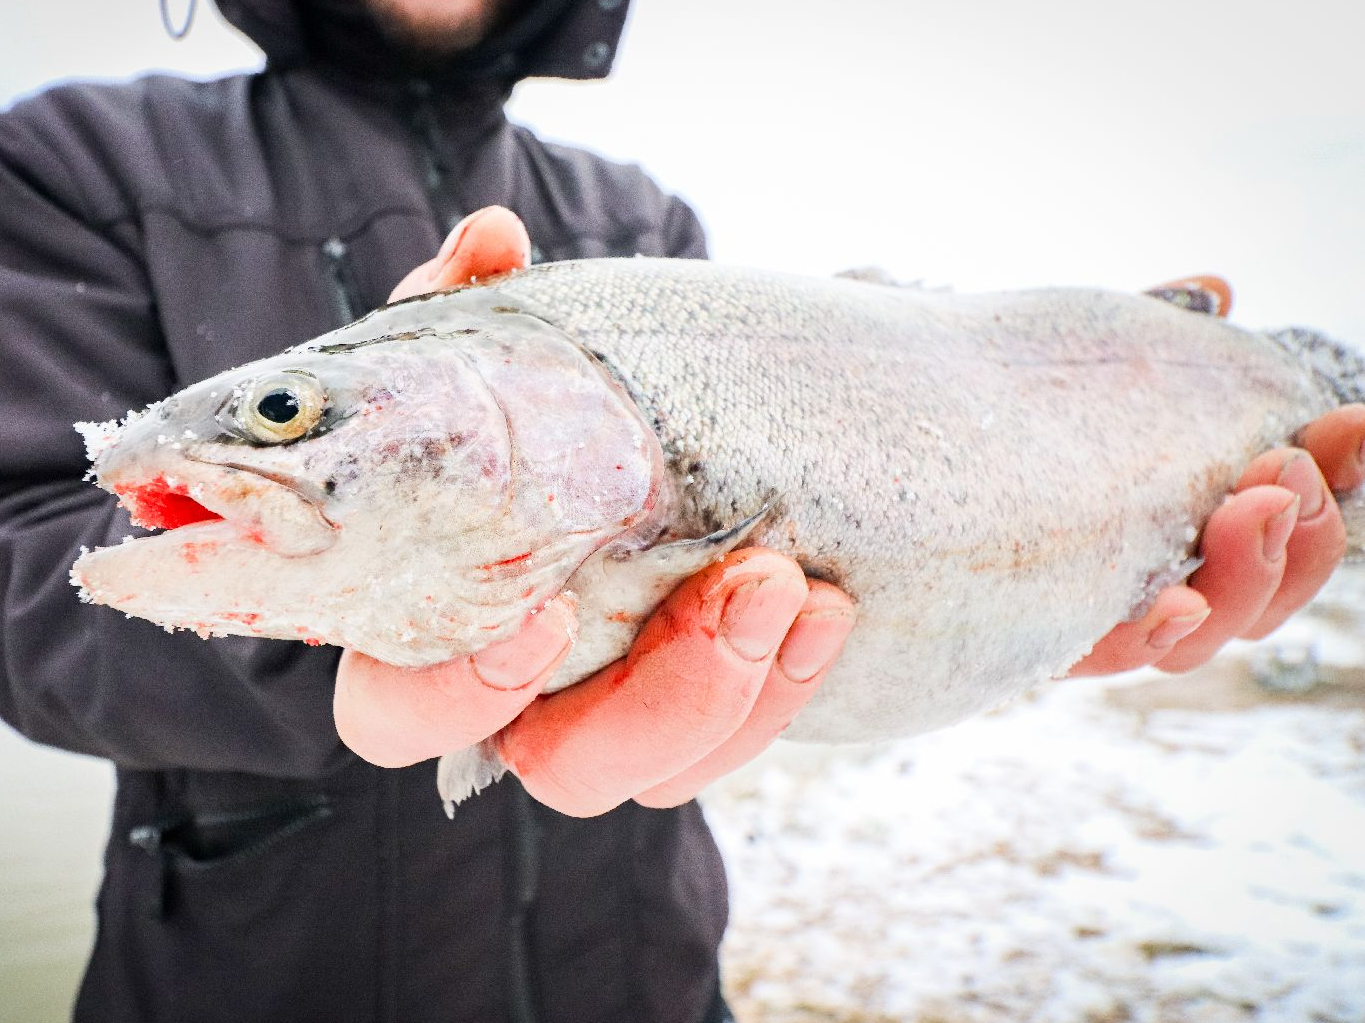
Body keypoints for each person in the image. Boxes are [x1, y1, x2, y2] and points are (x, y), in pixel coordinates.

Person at [0, 1, 1360, 1021]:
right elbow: (27, 560)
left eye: (287, 415)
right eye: (287, 416)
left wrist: (1041, 603)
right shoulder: (77, 160)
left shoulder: (636, 213)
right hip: (242, 978)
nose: (277, 437)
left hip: (642, 971)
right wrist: (363, 653)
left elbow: (794, 575)